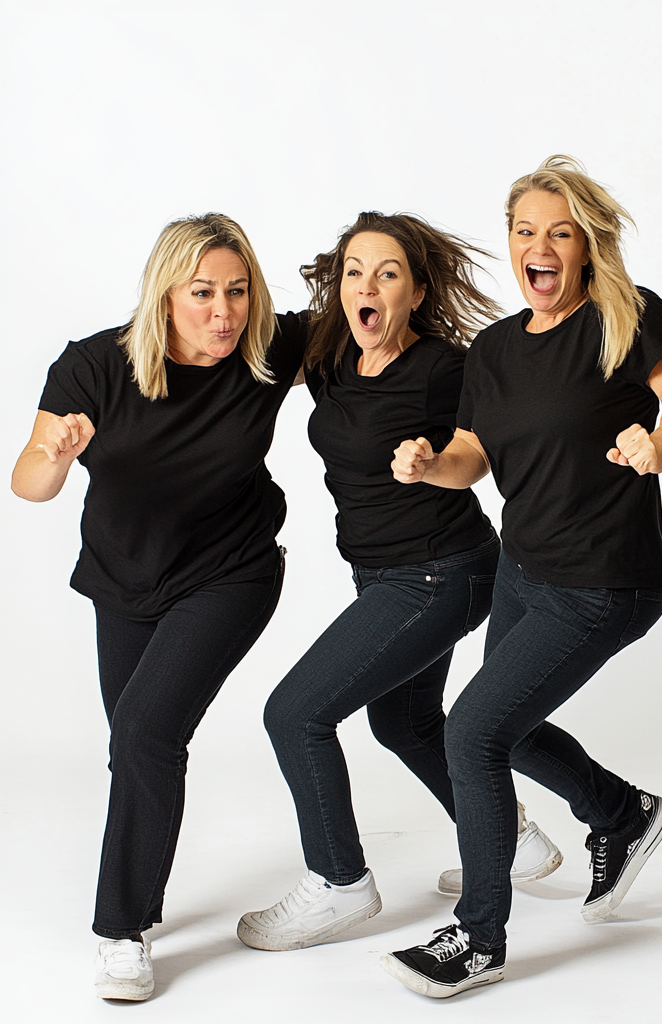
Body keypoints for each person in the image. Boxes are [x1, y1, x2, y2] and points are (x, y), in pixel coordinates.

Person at [382, 156, 662, 998]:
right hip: (525, 574)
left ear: (587, 246)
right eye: (527, 230)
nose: (541, 245)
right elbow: (473, 459)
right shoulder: (493, 350)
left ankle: (480, 937)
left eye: (560, 231)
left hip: (606, 580)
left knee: (470, 733)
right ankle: (622, 815)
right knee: (506, 728)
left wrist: (656, 447)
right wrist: (428, 464)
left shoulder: (627, 320)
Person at [236, 212, 562, 953]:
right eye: (355, 272)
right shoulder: (329, 355)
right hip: (383, 574)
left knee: (294, 715)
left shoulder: (445, 369)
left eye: (388, 273)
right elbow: (242, 337)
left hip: (439, 573)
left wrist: (433, 461)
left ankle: (339, 881)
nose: (368, 286)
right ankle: (512, 840)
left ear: (416, 291)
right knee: (403, 722)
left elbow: (486, 451)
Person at [11, 214, 308, 1001]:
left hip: (232, 572)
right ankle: (141, 897)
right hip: (125, 581)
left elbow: (369, 323)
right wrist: (56, 451)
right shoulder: (94, 368)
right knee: (138, 742)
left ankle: (120, 933)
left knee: (145, 731)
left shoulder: (270, 351)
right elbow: (28, 484)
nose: (225, 312)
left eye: (239, 292)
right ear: (164, 294)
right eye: (203, 292)